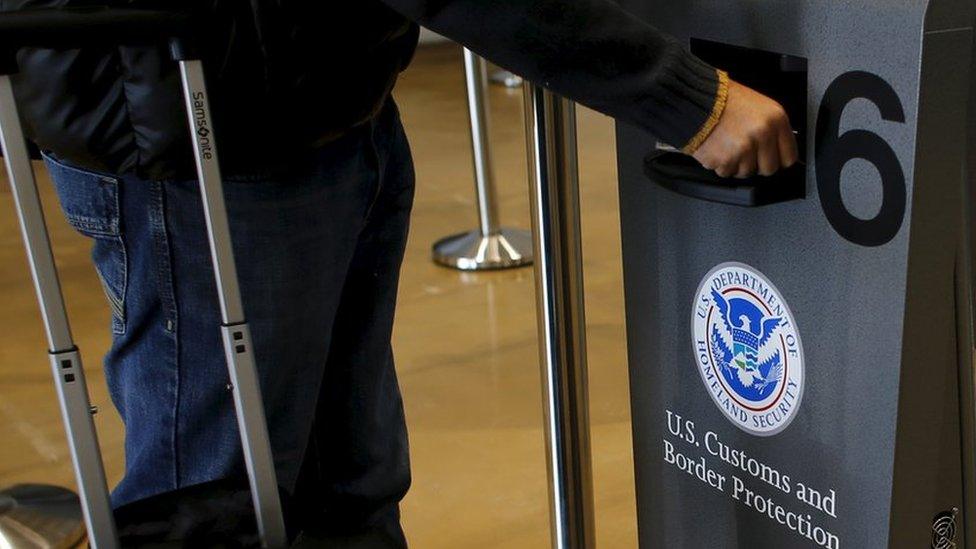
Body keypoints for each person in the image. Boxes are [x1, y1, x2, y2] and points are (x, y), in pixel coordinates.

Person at [8, 0, 797, 545]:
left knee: (350, 483)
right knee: (214, 508)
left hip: (319, 103)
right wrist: (688, 99)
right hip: (200, 139)